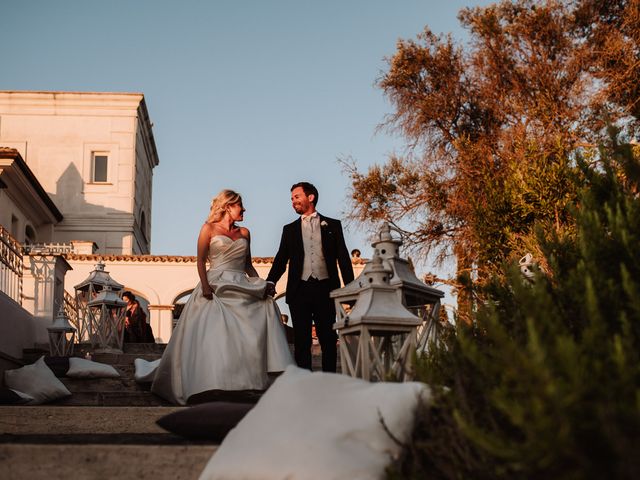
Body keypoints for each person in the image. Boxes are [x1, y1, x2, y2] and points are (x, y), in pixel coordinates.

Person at [149, 189, 293, 405]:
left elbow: (247, 265)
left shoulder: (245, 232)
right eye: (239, 206)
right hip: (216, 283)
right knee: (216, 331)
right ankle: (211, 381)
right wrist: (205, 286)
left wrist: (262, 284)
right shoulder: (208, 228)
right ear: (227, 206)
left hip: (240, 282)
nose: (244, 209)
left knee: (266, 306)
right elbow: (200, 261)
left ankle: (248, 380)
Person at [266, 182, 354, 372]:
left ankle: (329, 381)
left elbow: (344, 259)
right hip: (299, 291)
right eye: (292, 199)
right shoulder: (289, 230)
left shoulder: (333, 225)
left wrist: (350, 289)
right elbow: (281, 259)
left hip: (326, 290)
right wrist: (270, 281)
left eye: (296, 197)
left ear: (310, 197)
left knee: (329, 339)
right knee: (302, 341)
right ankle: (304, 383)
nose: (293, 201)